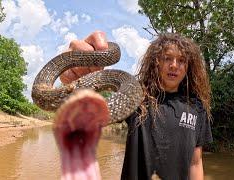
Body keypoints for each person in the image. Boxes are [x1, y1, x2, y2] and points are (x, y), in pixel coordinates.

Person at [60, 31, 213, 180]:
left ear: (188, 66)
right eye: (167, 58)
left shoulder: (197, 107)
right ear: (157, 62)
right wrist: (74, 80)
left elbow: (195, 162)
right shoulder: (136, 95)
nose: (174, 65)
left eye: (181, 60)